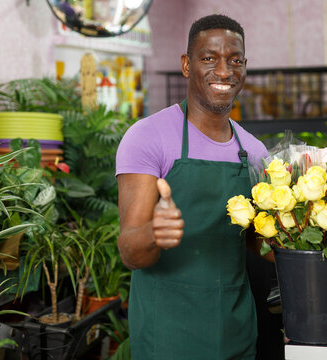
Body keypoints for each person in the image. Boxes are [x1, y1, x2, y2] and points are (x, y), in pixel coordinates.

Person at [115, 14, 276, 360]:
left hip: (235, 329)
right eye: (209, 58)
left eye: (234, 60)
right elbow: (130, 250)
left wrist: (314, 230)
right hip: (168, 333)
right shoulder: (147, 137)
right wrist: (153, 233)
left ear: (245, 67)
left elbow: (258, 242)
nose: (223, 71)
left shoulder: (255, 152)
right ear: (187, 65)